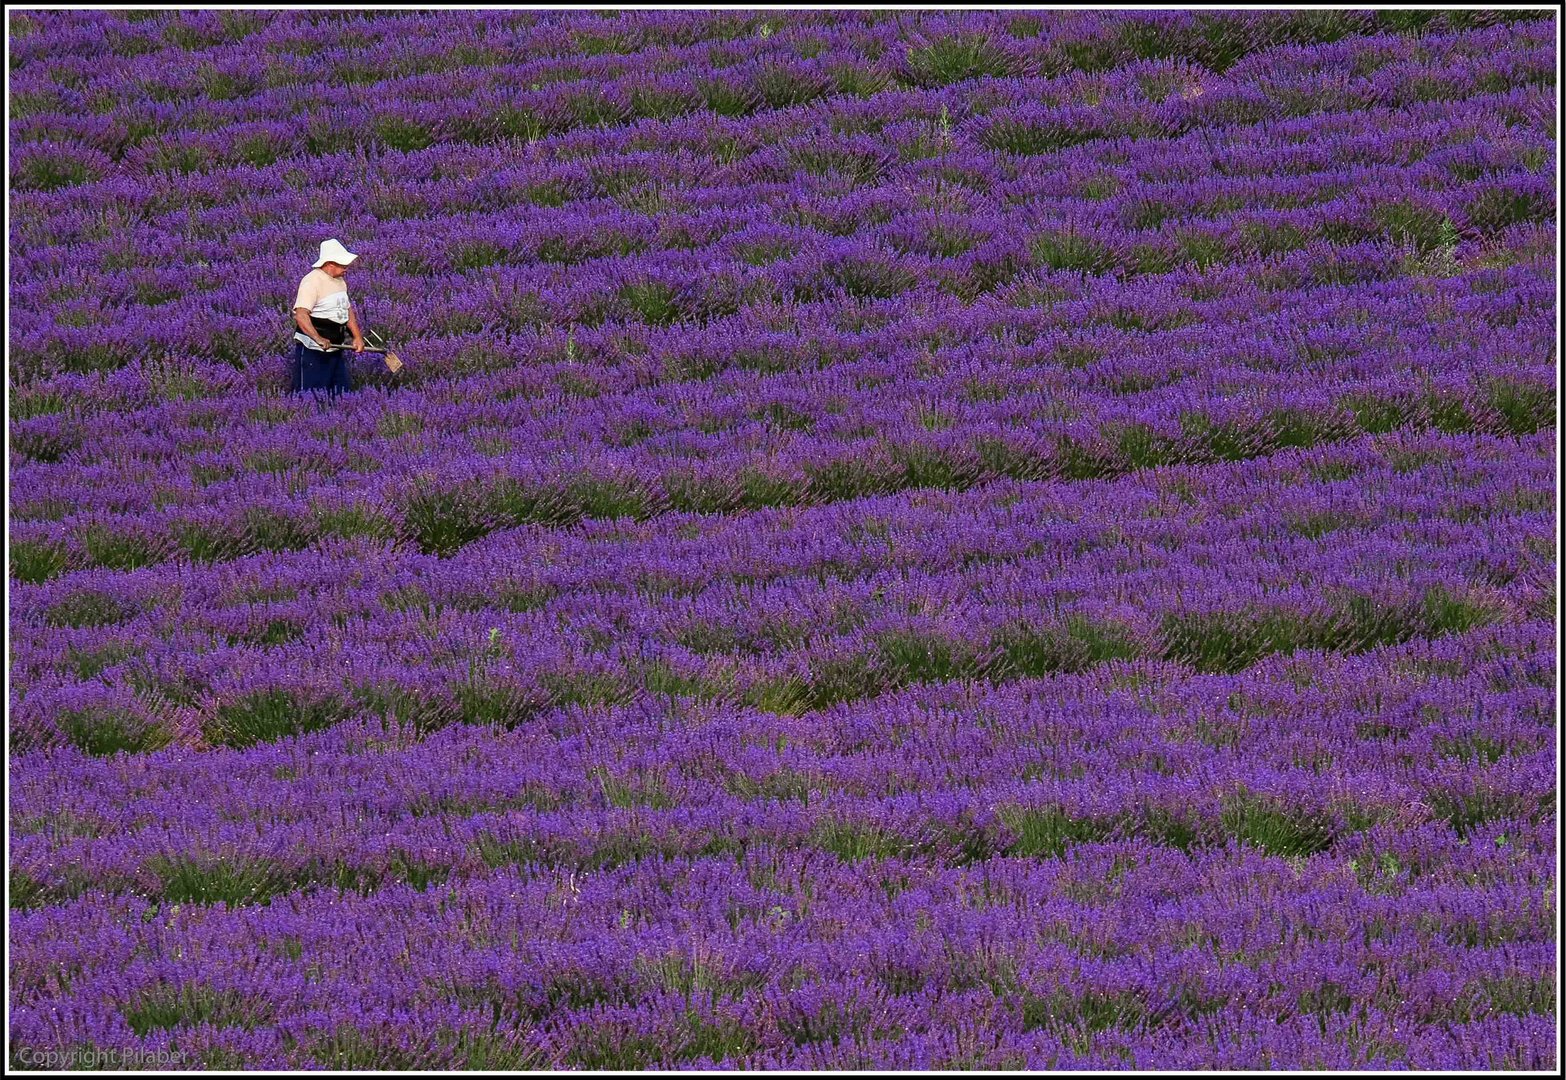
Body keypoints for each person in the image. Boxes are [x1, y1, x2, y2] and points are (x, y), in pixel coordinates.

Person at [291, 238, 364, 395]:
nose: (346, 268)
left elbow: (347, 310)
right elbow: (301, 315)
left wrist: (357, 337)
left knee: (341, 393)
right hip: (313, 350)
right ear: (330, 264)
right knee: (311, 394)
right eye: (343, 265)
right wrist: (318, 339)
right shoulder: (312, 281)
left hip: (336, 347)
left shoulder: (340, 281)